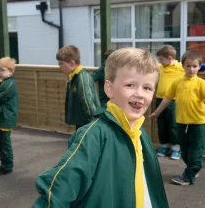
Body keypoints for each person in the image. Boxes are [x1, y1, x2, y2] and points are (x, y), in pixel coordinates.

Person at [32, 48, 169, 208]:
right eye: (130, 85)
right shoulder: (93, 135)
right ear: (109, 89)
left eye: (147, 88)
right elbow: (59, 189)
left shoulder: (140, 134)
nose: (140, 94)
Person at [151, 50, 205, 186]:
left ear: (199, 67)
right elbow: (167, 99)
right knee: (184, 151)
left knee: (196, 149)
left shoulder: (201, 83)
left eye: (194, 66)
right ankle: (192, 169)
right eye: (188, 66)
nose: (191, 69)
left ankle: (188, 176)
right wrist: (157, 112)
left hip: (198, 123)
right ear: (183, 66)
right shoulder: (177, 83)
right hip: (181, 122)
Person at [155, 45, 205, 160]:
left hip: (174, 101)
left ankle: (176, 148)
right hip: (160, 99)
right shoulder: (160, 66)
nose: (159, 61)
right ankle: (164, 145)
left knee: (173, 125)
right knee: (161, 125)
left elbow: (200, 66)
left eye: (161, 59)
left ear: (170, 58)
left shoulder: (181, 67)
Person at [57, 45, 100, 130]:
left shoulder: (82, 79)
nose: (59, 66)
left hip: (88, 124)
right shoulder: (73, 77)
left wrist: (95, 123)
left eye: (61, 63)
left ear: (72, 63)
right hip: (81, 122)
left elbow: (88, 102)